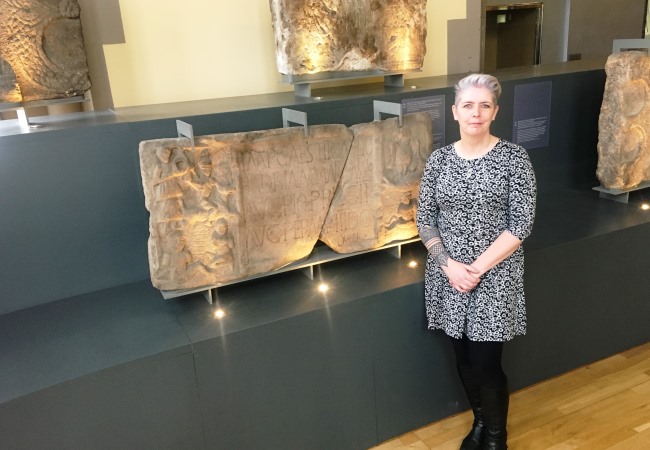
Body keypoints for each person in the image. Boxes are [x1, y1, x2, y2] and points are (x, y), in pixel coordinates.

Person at [416, 73, 537, 450]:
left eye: (484, 105)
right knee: (463, 360)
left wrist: (476, 269)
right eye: (468, 105)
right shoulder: (439, 161)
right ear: (454, 111)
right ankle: (481, 422)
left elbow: (521, 224)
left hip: (494, 277)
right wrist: (448, 264)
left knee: (486, 364)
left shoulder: (514, 159)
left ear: (495, 112)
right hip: (448, 277)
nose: (476, 113)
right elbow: (425, 218)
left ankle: (497, 437)